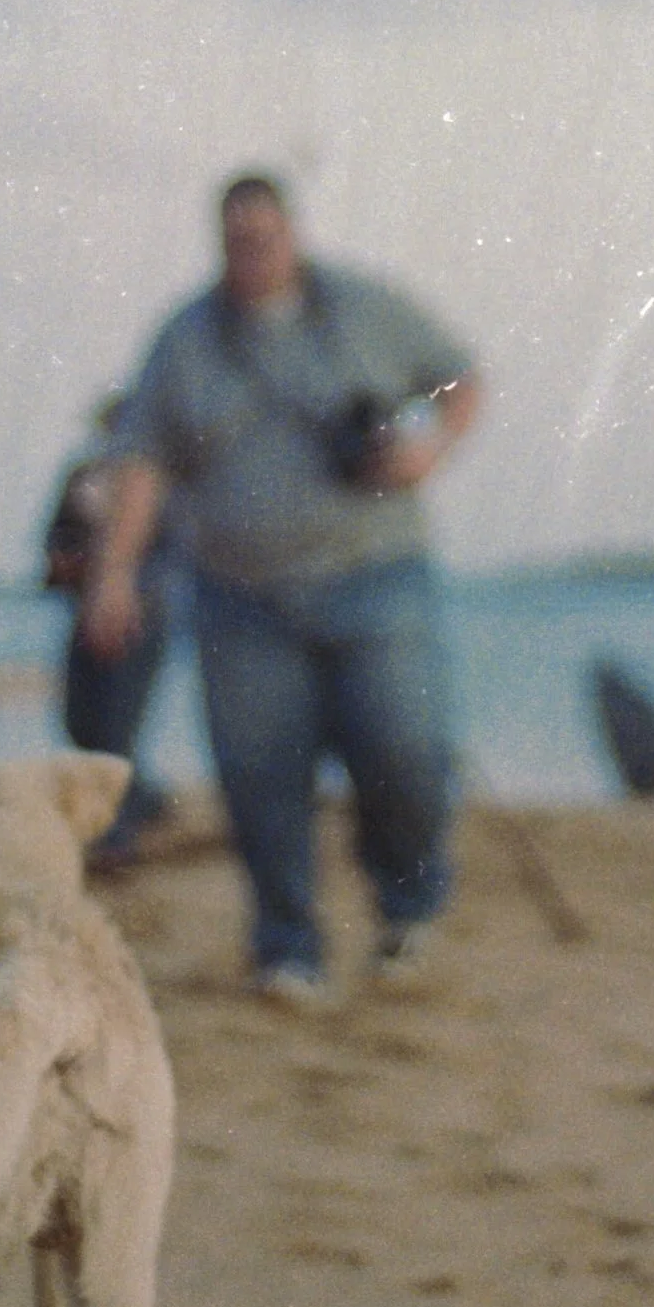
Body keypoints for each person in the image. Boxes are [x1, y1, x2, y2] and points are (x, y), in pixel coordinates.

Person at [79, 173, 482, 1000]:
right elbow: (143, 459)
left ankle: (406, 915)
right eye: (236, 241)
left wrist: (427, 448)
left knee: (408, 750)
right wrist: (114, 575)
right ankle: (287, 948)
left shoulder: (368, 309)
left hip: (378, 579)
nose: (252, 255)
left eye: (266, 238)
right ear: (218, 244)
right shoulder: (184, 341)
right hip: (241, 597)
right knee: (260, 778)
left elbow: (459, 376)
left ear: (293, 234)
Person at [37, 400, 182, 859]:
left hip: (141, 617)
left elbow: (174, 552)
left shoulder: (163, 482)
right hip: (83, 610)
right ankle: (143, 800)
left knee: (117, 725)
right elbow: (54, 536)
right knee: (80, 721)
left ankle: (117, 834)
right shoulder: (82, 476)